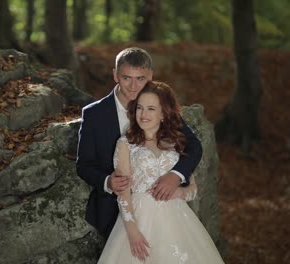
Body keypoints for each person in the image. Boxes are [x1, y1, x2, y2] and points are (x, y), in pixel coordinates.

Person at [76, 47, 203, 238]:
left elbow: (193, 146)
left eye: (140, 79)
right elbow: (84, 164)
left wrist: (176, 175)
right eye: (127, 78)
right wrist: (108, 181)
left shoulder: (162, 108)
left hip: (165, 213)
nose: (134, 86)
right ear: (115, 75)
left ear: (150, 76)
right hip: (111, 211)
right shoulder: (94, 114)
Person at [98, 81, 224, 263]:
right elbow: (123, 193)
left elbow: (193, 188)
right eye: (140, 108)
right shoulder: (125, 143)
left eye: (150, 108)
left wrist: (181, 192)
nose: (143, 114)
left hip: (177, 221)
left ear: (163, 113)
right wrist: (133, 232)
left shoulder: (176, 142)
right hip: (140, 219)